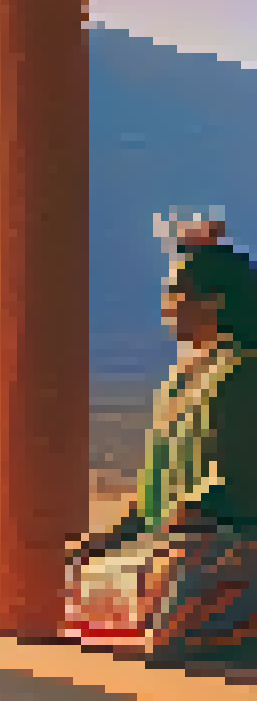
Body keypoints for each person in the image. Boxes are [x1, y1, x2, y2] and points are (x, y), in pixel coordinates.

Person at [65, 219, 257, 664]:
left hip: (226, 540)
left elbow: (238, 482)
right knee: (80, 585)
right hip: (171, 541)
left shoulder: (243, 372)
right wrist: (115, 534)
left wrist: (184, 518)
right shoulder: (181, 380)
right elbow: (156, 487)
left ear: (216, 301)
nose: (170, 308)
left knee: (171, 631)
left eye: (179, 294)